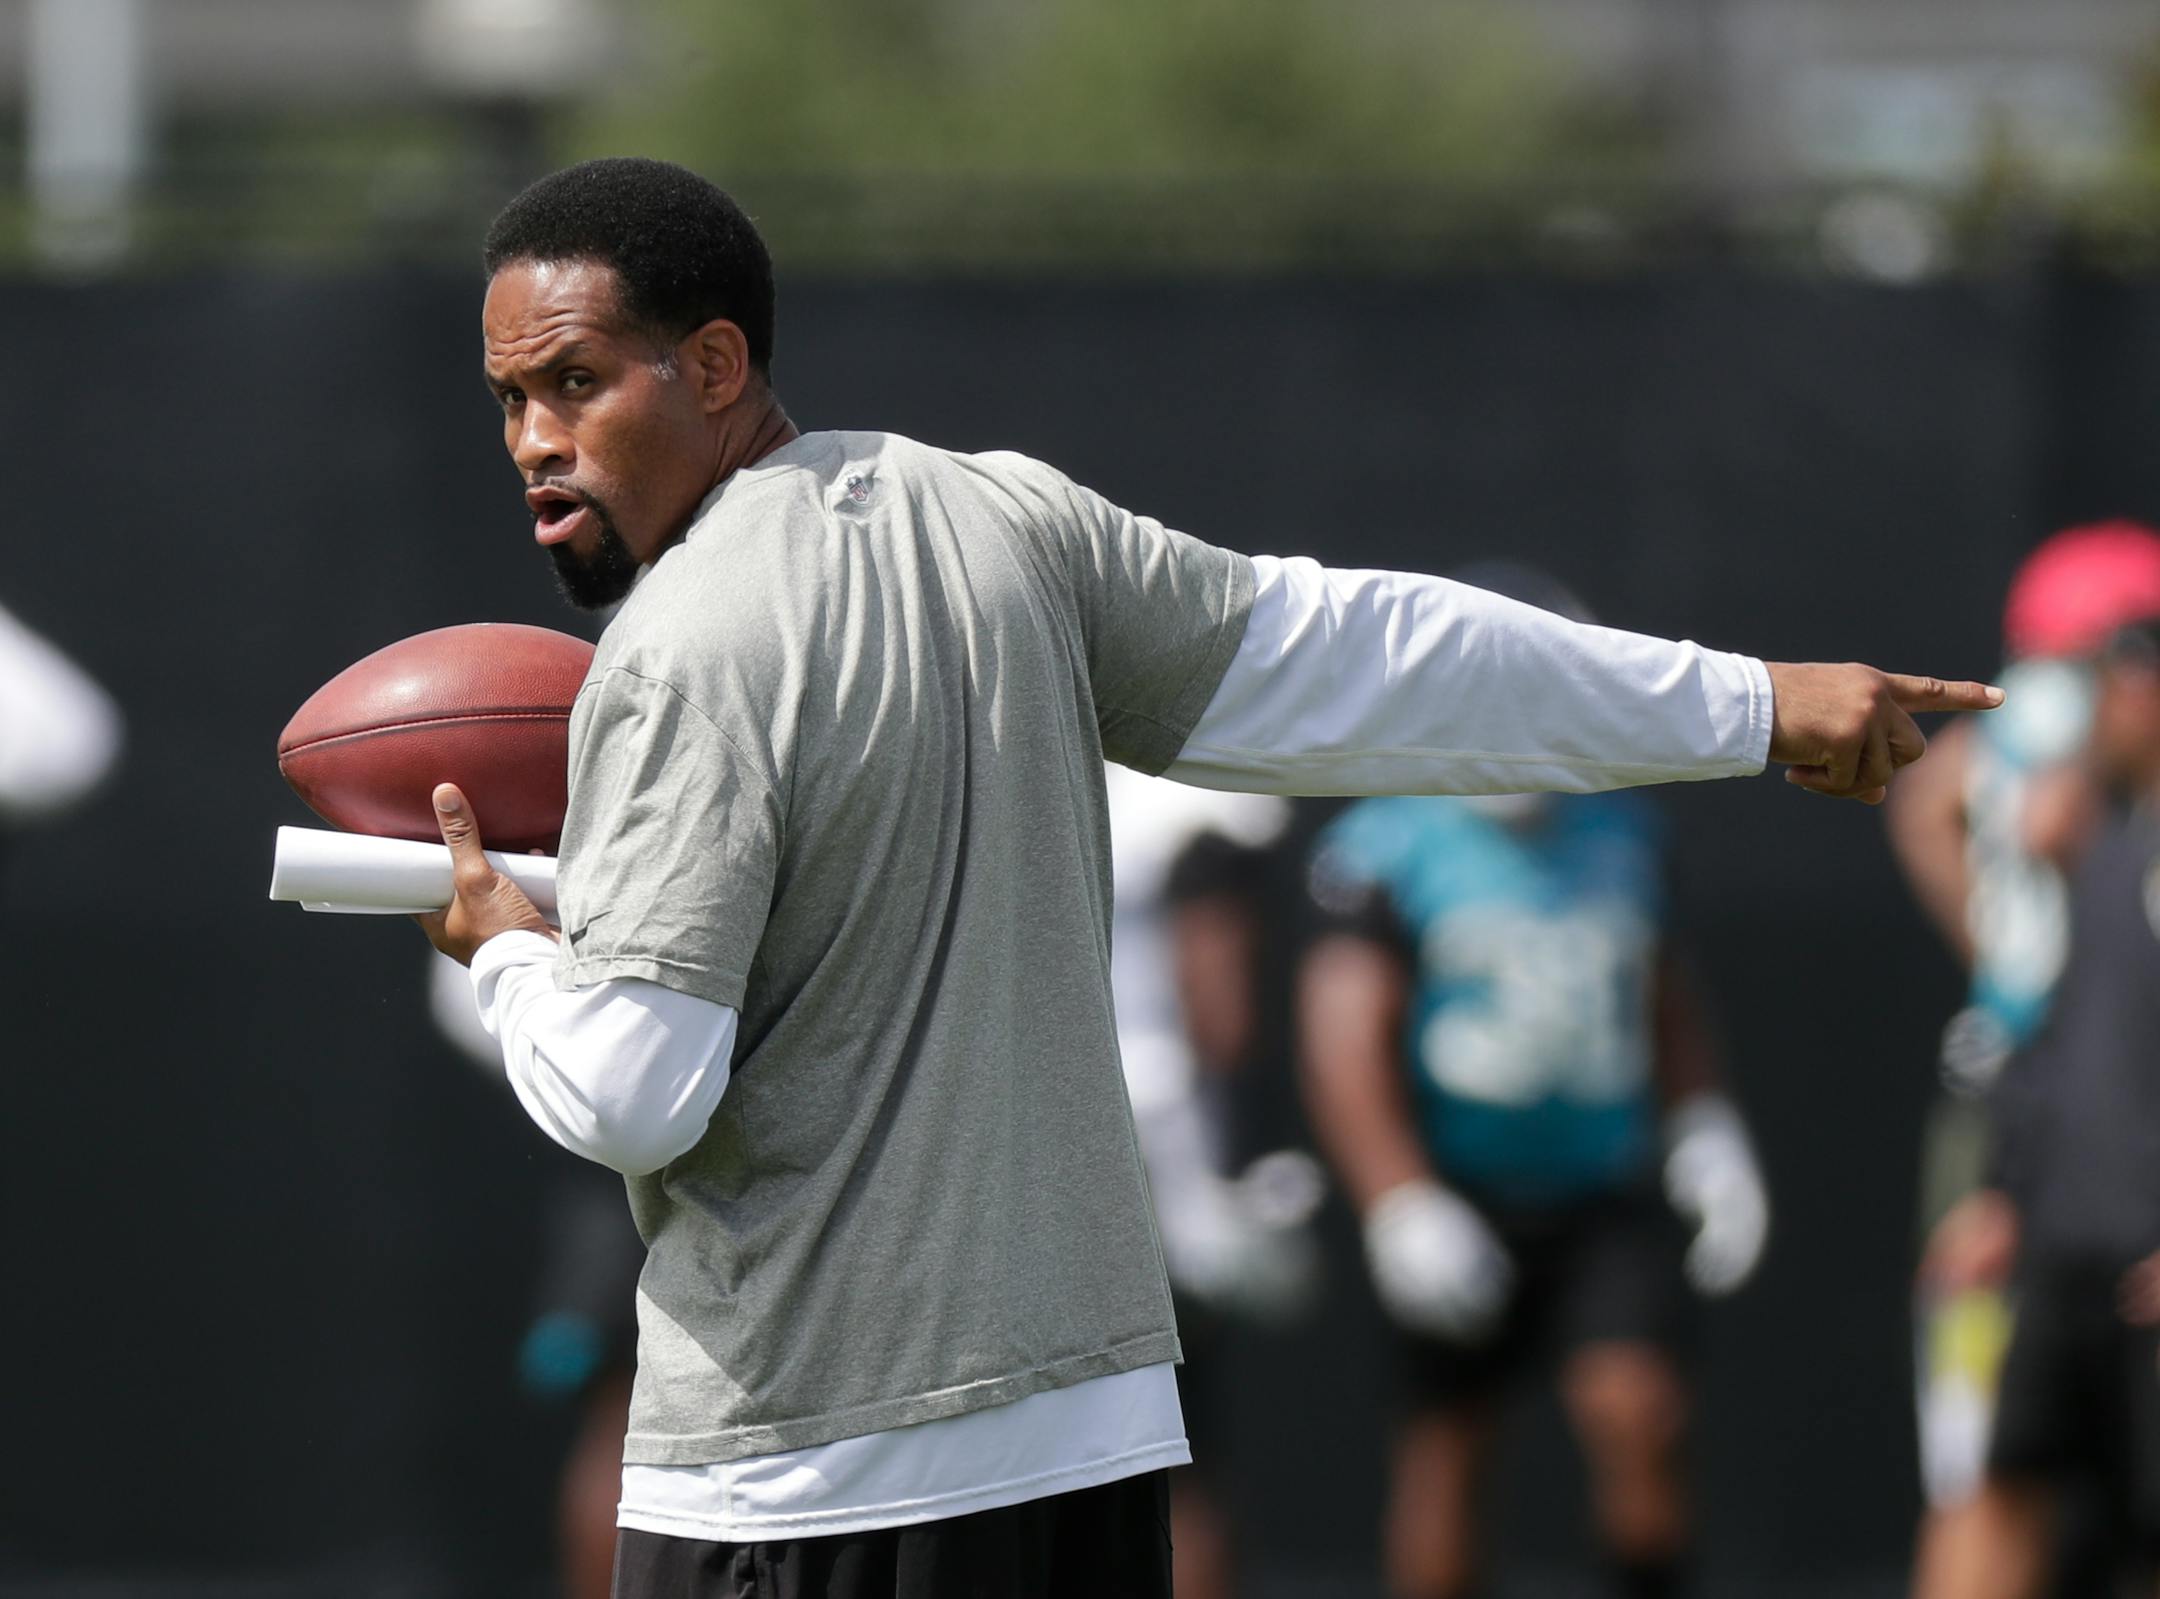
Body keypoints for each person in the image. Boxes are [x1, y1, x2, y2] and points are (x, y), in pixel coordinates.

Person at [409, 156, 1995, 1599]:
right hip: (1079, 1449)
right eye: (507, 401)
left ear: (714, 364)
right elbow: (1354, 652)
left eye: (572, 382)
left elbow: (633, 1086)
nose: (535, 441)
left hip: (804, 1473)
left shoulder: (676, 646)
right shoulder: (1000, 518)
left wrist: (506, 945)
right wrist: (1748, 701)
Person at [1295, 564, 1768, 1599]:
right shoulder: (1388, 840)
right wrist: (1400, 1200)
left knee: (1641, 1414)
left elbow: (1662, 991)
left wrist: (1706, 1126)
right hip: (1460, 1184)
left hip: (1600, 1186)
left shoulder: (1622, 830)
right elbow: (1344, 1034)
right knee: (1448, 1449)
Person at [1889, 522, 2160, 1599]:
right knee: (1987, 1471)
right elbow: (1928, 804)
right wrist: (2004, 1187)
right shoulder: (2079, 839)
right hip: (2048, 1199)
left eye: (2096, 674)